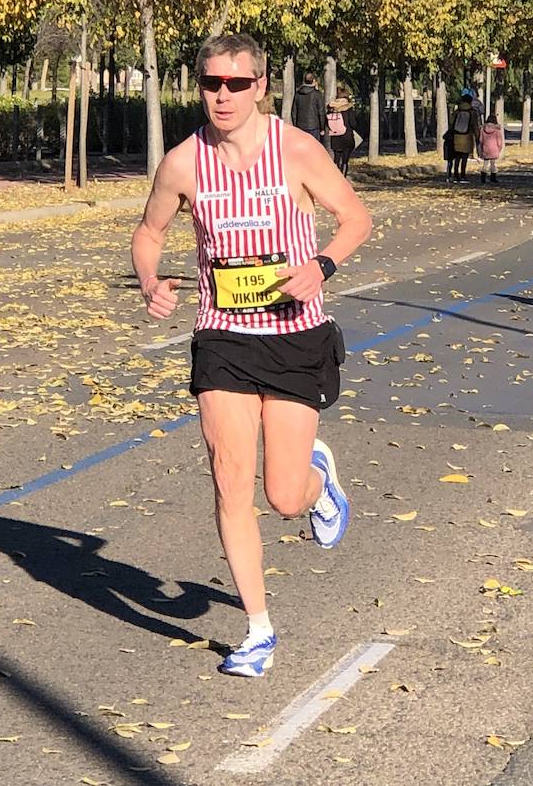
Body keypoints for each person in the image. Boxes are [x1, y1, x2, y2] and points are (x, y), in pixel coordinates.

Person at [131, 33, 372, 677]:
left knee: (283, 499)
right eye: (212, 84)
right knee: (229, 478)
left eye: (238, 84)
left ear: (262, 86)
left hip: (294, 336)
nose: (223, 96)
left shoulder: (296, 150)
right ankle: (258, 630)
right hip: (224, 337)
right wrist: (152, 283)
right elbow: (148, 232)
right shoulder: (183, 163)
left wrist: (321, 265)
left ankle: (320, 483)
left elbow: (355, 219)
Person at [325, 86, 357, 177]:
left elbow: (327, 122)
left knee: (336, 158)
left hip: (335, 136)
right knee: (345, 159)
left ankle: (336, 177)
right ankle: (343, 177)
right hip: (347, 135)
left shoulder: (331, 109)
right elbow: (353, 123)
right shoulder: (348, 108)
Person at [450, 89, 480, 180]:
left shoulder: (457, 111)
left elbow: (451, 123)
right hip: (467, 136)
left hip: (456, 136)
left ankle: (455, 174)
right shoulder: (472, 112)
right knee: (464, 157)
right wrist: (477, 135)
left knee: (457, 156)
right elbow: (475, 125)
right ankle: (463, 175)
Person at [291, 71, 326, 142]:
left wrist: (295, 125)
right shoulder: (317, 94)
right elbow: (321, 112)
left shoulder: (298, 94)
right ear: (313, 81)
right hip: (314, 126)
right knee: (314, 147)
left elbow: (294, 112)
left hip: (300, 126)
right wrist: (322, 128)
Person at [478, 111, 505, 183]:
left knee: (485, 163)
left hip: (485, 148)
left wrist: (481, 148)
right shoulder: (497, 130)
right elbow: (499, 141)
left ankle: (483, 178)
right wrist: (499, 149)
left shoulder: (483, 129)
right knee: (493, 163)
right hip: (494, 148)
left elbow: (481, 140)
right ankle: (493, 178)